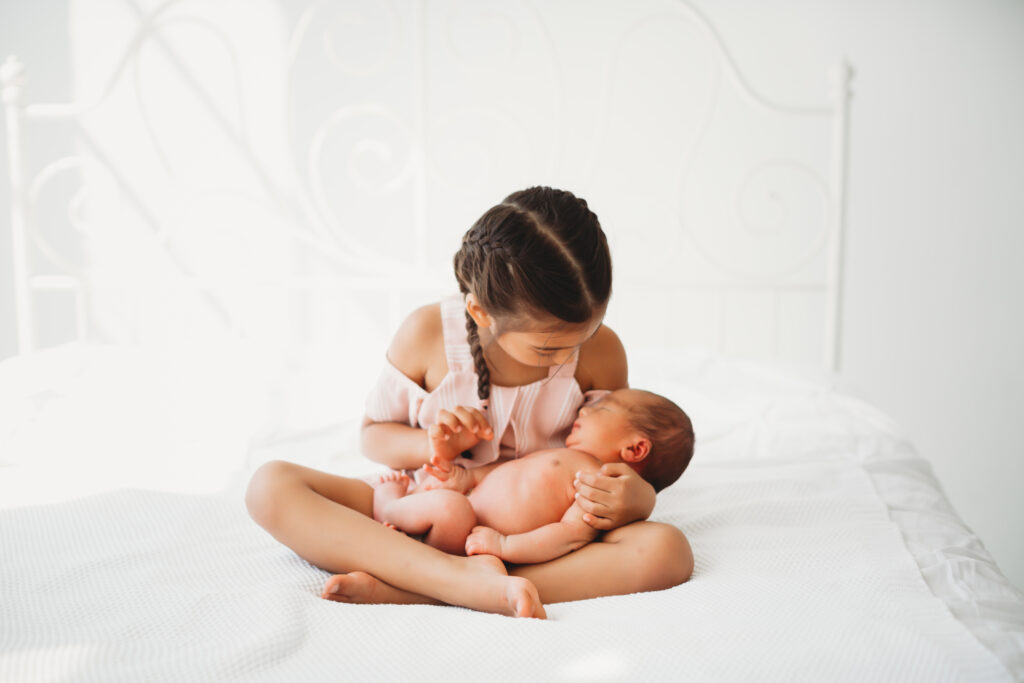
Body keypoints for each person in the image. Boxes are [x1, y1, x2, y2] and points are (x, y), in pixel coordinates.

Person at [245, 186, 694, 619]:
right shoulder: (426, 336)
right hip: (429, 503)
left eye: (586, 334)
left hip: (536, 533)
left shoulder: (602, 352)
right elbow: (372, 437)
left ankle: (426, 588)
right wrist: (434, 447)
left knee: (668, 551)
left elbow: (614, 443)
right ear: (480, 313)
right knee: (270, 486)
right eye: (548, 349)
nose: (569, 355)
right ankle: (458, 580)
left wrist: (639, 499)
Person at [372, 389, 694, 564]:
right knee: (444, 499)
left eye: (603, 408)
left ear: (635, 450)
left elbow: (568, 536)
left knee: (449, 509)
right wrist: (466, 478)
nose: (583, 410)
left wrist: (505, 545)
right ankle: (402, 515)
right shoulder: (568, 456)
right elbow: (512, 471)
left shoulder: (599, 490)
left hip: (471, 538)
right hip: (467, 506)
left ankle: (389, 508)